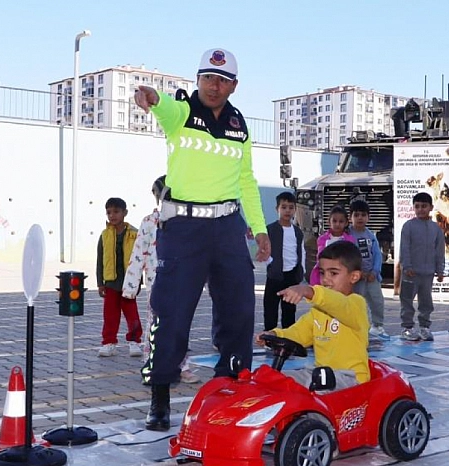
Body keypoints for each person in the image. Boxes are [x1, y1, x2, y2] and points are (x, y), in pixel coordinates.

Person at [134, 47, 271, 432]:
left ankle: (232, 385)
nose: (214, 86)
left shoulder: (239, 124)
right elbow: (162, 108)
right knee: (173, 313)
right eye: (208, 78)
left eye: (222, 80)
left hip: (227, 227)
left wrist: (259, 229)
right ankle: (160, 395)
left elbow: (246, 179)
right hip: (184, 228)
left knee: (240, 311)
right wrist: (151, 97)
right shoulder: (182, 112)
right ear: (197, 80)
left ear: (234, 86)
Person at [256, 241, 369, 389]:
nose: (325, 279)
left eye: (333, 273)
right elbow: (297, 333)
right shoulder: (318, 312)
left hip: (350, 378)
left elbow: (338, 304)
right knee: (276, 380)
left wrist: (309, 291)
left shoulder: (356, 305)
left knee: (314, 396)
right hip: (320, 373)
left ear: (353, 277)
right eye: (322, 273)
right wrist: (274, 335)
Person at [122, 176, 200, 384]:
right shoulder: (149, 222)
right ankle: (152, 364)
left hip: (183, 280)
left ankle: (182, 366)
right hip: (156, 281)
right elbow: (138, 252)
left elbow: (197, 252)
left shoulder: (188, 221)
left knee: (182, 322)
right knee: (155, 323)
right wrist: (131, 285)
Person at [96, 198, 142, 357]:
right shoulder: (104, 235)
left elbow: (141, 259)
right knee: (110, 315)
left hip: (129, 282)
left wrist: (138, 281)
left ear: (125, 213)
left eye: (116, 211)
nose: (112, 215)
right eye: (109, 212)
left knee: (131, 313)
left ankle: (135, 341)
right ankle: (109, 342)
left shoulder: (134, 234)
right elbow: (100, 260)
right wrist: (100, 283)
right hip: (111, 282)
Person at [399, 192, 444, 341]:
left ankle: (424, 328)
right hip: (410, 273)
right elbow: (404, 248)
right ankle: (407, 328)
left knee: (426, 302)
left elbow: (439, 250)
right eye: (417, 206)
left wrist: (440, 270)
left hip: (428, 274)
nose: (420, 209)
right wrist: (407, 266)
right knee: (406, 300)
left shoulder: (436, 229)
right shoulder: (408, 226)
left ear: (431, 207)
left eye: (424, 206)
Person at [263, 191, 306, 331]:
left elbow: (301, 251)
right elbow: (264, 249)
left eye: (291, 207)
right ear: (277, 209)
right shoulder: (270, 229)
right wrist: (270, 263)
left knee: (289, 308)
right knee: (270, 307)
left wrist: (301, 270)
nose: (287, 210)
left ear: (295, 209)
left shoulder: (298, 232)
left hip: (291, 276)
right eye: (284, 207)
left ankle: (288, 335)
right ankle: (270, 335)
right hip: (275, 276)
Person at [349, 200, 386, 337]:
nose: (360, 218)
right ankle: (358, 327)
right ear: (350, 217)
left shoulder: (371, 235)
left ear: (368, 217)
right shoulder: (348, 235)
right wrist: (358, 272)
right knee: (358, 303)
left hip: (372, 277)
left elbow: (377, 255)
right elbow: (348, 256)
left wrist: (375, 272)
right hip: (356, 278)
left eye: (363, 215)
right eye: (356, 215)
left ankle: (377, 326)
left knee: (377, 301)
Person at [309, 205, 355, 285]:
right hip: (325, 274)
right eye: (334, 221)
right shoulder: (322, 239)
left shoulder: (350, 240)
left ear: (346, 223)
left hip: (342, 275)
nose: (337, 224)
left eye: (341, 221)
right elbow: (320, 256)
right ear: (329, 222)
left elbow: (351, 259)